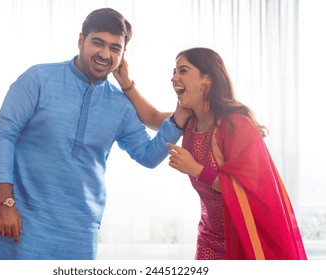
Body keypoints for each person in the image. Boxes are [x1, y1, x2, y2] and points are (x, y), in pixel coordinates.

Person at [0, 8, 190, 260]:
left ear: (123, 54)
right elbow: (3, 134)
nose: (105, 54)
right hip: (20, 221)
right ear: (80, 40)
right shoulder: (38, 78)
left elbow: (147, 156)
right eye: (97, 43)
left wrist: (179, 118)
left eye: (114, 48)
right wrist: (5, 203)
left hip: (79, 234)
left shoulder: (120, 105)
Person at [113, 47, 307, 260]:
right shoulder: (190, 123)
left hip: (244, 237)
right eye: (174, 71)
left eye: (183, 71)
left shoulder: (236, 125)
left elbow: (249, 186)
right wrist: (125, 83)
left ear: (207, 81)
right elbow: (152, 116)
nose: (173, 77)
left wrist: (196, 169)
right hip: (208, 238)